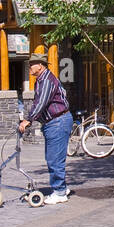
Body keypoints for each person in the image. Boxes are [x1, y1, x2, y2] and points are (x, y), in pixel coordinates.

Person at [19, 55, 73, 204]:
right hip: (53, 123)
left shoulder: (47, 80)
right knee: (52, 158)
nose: (29, 67)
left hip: (58, 122)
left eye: (32, 64)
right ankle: (61, 187)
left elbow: (41, 103)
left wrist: (29, 120)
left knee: (55, 159)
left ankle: (60, 192)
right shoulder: (42, 80)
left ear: (40, 66)